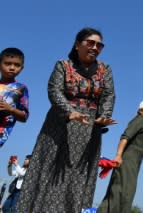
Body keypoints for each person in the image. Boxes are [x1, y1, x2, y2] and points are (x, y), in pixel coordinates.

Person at [17, 27, 117, 212]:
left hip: (89, 128)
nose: (95, 47)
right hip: (60, 124)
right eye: (90, 43)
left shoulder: (106, 70)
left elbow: (108, 95)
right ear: (78, 44)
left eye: (99, 45)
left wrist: (104, 115)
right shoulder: (63, 65)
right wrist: (69, 112)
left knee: (78, 174)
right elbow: (54, 90)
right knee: (50, 169)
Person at [97, 99, 143, 212]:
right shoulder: (138, 121)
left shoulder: (142, 123)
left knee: (120, 192)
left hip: (132, 165)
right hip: (126, 163)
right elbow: (125, 137)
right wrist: (118, 155)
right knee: (122, 193)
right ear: (141, 110)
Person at [0, 47, 29, 148]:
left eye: (17, 65)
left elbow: (24, 117)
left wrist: (10, 109)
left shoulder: (20, 88)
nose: (12, 67)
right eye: (7, 63)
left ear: (22, 68)